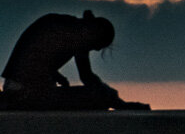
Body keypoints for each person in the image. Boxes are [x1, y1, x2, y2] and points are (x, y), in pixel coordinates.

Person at [0, 10, 149, 110]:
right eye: (98, 45)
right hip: (27, 95)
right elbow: (87, 77)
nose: (96, 50)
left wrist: (55, 75)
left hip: (16, 89)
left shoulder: (67, 26)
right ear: (94, 35)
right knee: (98, 96)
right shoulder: (79, 37)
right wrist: (114, 100)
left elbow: (38, 56)